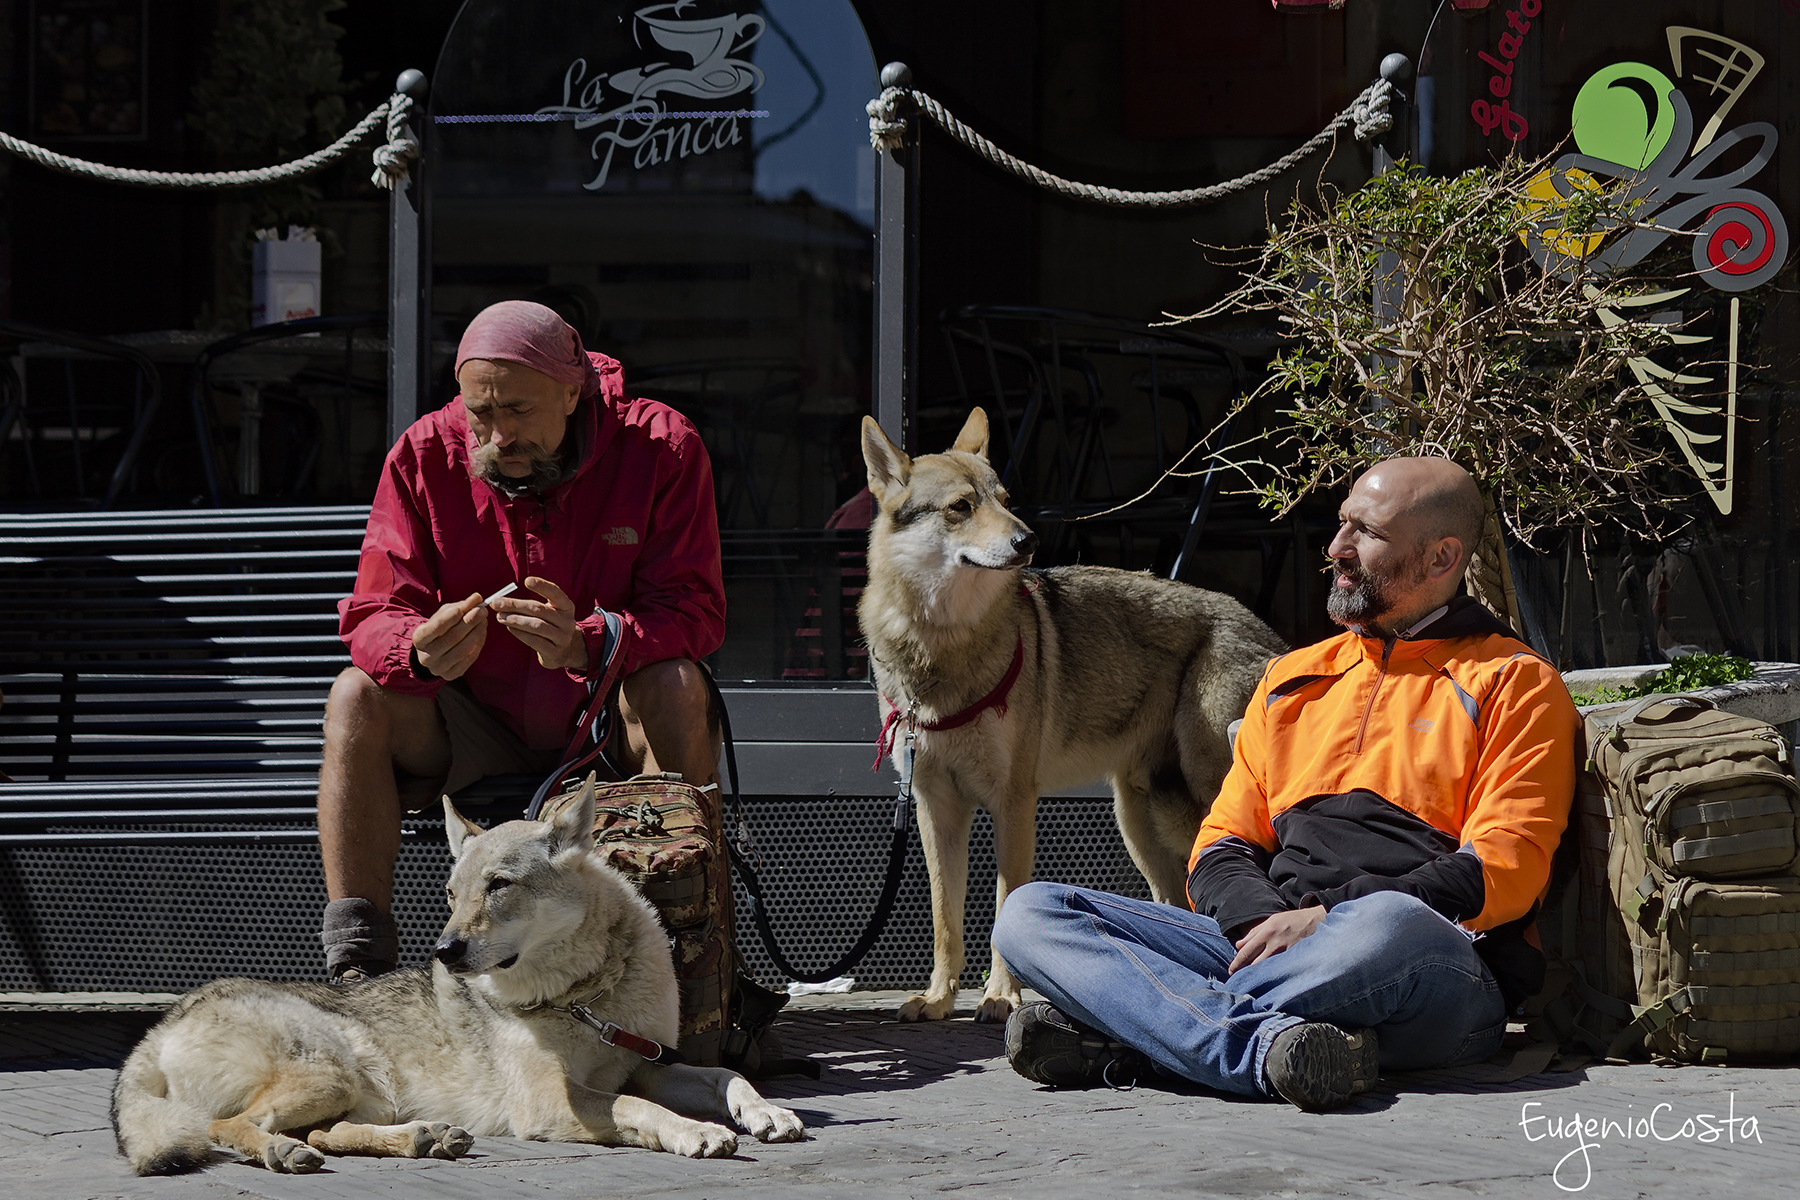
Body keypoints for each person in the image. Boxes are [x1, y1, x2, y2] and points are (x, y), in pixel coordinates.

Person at [991, 457, 1578, 1110]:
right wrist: (1267, 920)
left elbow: (1507, 868)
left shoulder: (1515, 682)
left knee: (1385, 924)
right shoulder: (1291, 676)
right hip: (1269, 947)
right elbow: (1219, 846)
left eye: (1367, 532)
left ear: (1441, 559)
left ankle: (1140, 1035)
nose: (1336, 549)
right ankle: (1265, 1048)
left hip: (1423, 967)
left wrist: (1326, 920)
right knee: (1031, 914)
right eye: (1340, 525)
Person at [316, 300, 726, 983]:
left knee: (678, 685)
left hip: (604, 717)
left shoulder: (661, 446)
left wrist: (592, 644)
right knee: (357, 695)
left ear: (574, 392)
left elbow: (697, 609)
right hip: (470, 718)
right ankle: (358, 968)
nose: (499, 434)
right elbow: (373, 613)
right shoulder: (422, 452)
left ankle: (689, 957)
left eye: (519, 412)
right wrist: (416, 649)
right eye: (482, 413)